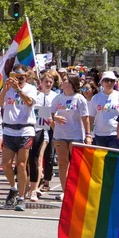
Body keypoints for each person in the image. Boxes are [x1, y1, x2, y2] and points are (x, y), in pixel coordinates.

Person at [0, 65, 38, 211]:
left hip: (25, 130)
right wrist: (6, 89)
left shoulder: (30, 89)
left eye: (21, 77)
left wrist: (18, 90)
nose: (18, 80)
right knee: (6, 164)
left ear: (26, 77)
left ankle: (21, 197)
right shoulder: (7, 88)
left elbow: (29, 102)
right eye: (16, 77)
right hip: (8, 129)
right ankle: (13, 188)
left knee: (21, 165)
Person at [50, 73, 90, 201]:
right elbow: (48, 113)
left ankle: (77, 189)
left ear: (71, 83)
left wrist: (88, 135)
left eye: (65, 80)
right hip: (60, 135)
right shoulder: (58, 98)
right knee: (62, 163)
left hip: (76, 135)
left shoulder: (79, 98)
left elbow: (85, 118)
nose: (62, 82)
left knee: (76, 165)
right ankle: (65, 191)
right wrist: (55, 117)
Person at [29, 72, 57, 202]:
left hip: (47, 129)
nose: (48, 84)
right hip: (33, 129)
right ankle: (33, 182)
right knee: (33, 158)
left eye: (51, 82)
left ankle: (39, 183)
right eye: (46, 81)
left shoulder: (54, 96)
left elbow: (52, 114)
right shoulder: (36, 94)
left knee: (43, 157)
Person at [88, 71, 119, 149]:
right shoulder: (95, 98)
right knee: (101, 160)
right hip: (99, 135)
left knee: (113, 160)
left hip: (115, 134)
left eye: (111, 80)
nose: (109, 83)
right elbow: (91, 117)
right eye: (106, 80)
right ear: (102, 82)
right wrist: (88, 134)